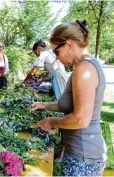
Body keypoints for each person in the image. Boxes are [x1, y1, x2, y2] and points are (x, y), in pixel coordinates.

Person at [30, 20, 107, 176]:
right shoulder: (87, 65)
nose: (56, 59)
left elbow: (80, 119)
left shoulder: (84, 69)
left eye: (56, 52)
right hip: (83, 152)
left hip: (83, 155)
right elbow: (72, 105)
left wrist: (51, 121)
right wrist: (44, 106)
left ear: (69, 44)